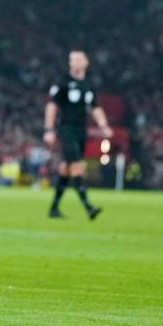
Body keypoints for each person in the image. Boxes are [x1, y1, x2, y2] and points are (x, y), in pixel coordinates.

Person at [43, 48, 112, 219]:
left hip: (81, 131)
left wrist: (104, 126)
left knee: (66, 168)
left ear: (86, 62)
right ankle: (88, 207)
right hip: (66, 129)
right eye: (71, 59)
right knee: (77, 165)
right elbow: (52, 105)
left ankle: (54, 209)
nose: (74, 62)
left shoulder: (88, 85)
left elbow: (95, 107)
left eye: (78, 59)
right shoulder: (63, 82)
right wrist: (49, 129)